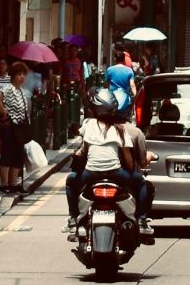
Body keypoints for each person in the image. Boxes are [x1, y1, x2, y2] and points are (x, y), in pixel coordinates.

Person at [66, 89, 154, 236]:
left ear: (94, 110)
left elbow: (84, 151)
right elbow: (129, 161)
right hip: (115, 173)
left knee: (70, 181)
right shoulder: (120, 129)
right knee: (141, 182)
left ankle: (73, 219)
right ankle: (142, 221)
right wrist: (131, 169)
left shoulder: (89, 126)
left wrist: (76, 155)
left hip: (90, 174)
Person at [0, 61, 34, 194]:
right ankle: (4, 184)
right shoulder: (8, 88)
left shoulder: (21, 91)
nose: (22, 77)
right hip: (9, 126)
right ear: (13, 76)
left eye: (23, 74)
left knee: (18, 155)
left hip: (20, 128)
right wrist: (3, 111)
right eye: (19, 74)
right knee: (8, 153)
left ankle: (14, 184)